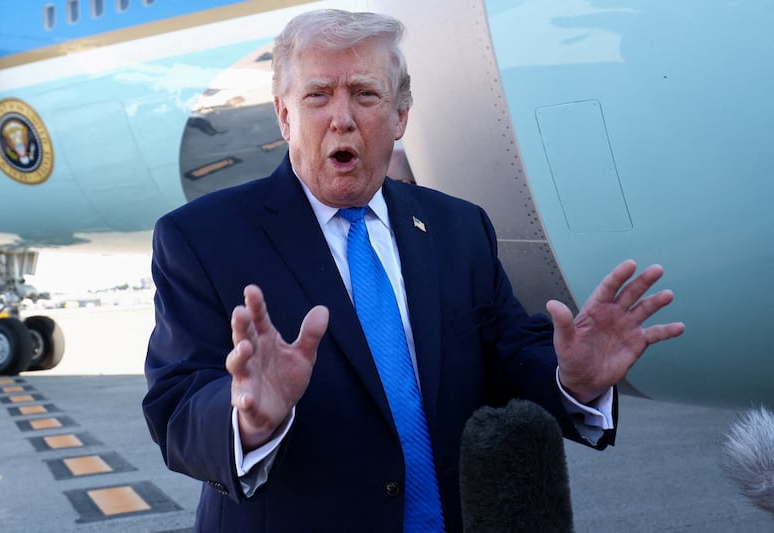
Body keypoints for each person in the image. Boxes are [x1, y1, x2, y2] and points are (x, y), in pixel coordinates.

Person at [142, 9, 685, 532]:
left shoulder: (459, 228)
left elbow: (507, 356)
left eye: (365, 93)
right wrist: (247, 419)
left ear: (400, 116)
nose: (342, 117)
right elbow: (176, 407)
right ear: (284, 115)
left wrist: (572, 379)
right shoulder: (200, 238)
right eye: (317, 95)